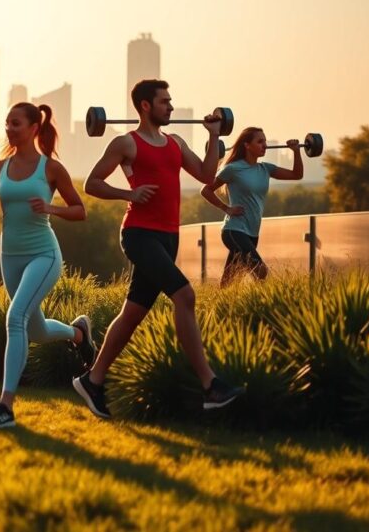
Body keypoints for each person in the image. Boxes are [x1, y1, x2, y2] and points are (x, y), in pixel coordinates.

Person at [74, 79, 244, 419]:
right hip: (139, 234)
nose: (171, 106)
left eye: (171, 100)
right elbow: (92, 183)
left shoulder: (176, 143)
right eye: (165, 101)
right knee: (185, 296)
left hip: (168, 236)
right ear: (146, 106)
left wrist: (213, 136)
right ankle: (210, 386)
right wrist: (128, 195)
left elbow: (208, 175)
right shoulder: (127, 143)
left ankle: (92, 380)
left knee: (134, 312)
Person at [0, 102, 96, 429]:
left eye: (16, 123)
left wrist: (50, 209)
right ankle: (78, 334)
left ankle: (5, 406)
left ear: (33, 129)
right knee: (35, 330)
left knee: (16, 317)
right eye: (7, 123)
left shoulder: (50, 169)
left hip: (44, 254)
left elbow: (80, 210)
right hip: (10, 256)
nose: (9, 129)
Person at [201, 127, 304, 285]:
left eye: (265, 141)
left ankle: (220, 306)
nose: (265, 145)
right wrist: (226, 208)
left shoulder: (265, 169)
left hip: (252, 233)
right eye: (260, 141)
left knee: (230, 282)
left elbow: (296, 175)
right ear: (247, 145)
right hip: (234, 230)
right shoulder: (233, 169)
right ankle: (265, 304)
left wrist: (296, 151)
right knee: (260, 270)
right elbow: (206, 190)